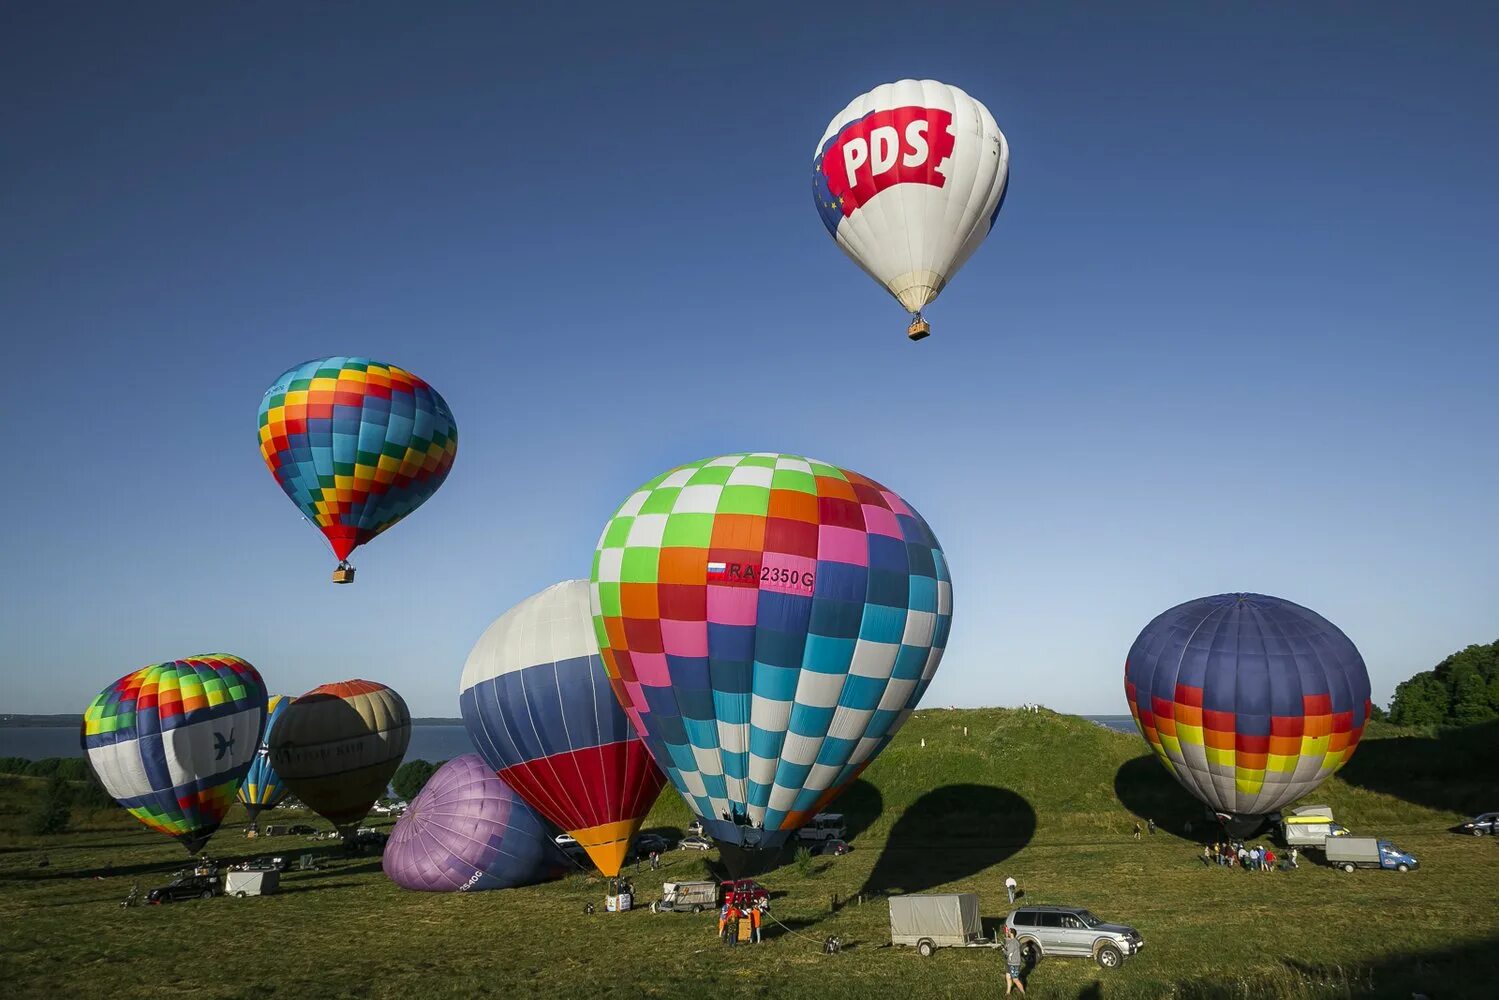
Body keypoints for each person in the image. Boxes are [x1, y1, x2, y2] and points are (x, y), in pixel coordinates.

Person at [1002, 925, 1027, 995]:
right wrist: (1006, 935)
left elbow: (1008, 953)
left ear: (1011, 933)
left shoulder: (1013, 942)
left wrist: (1003, 949)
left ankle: (1023, 993)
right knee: (1008, 976)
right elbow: (1007, 940)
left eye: (1008, 932)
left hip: (1014, 963)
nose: (1007, 932)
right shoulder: (1012, 940)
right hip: (1009, 962)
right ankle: (1008, 992)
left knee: (1015, 979)